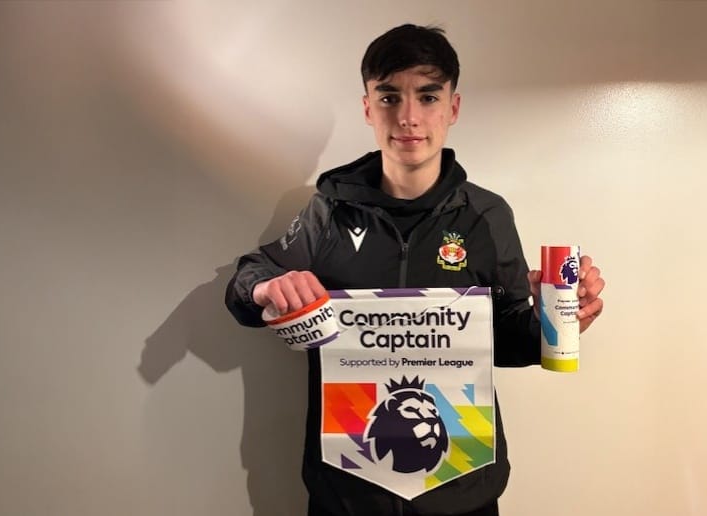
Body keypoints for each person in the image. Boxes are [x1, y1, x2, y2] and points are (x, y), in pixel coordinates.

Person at [225, 24, 605, 516]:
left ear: (453, 107)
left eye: (428, 96)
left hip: (462, 492)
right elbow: (247, 281)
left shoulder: (487, 216)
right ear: (368, 108)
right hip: (348, 495)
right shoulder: (329, 212)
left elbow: (507, 338)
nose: (408, 117)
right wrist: (265, 288)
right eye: (389, 97)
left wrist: (550, 324)